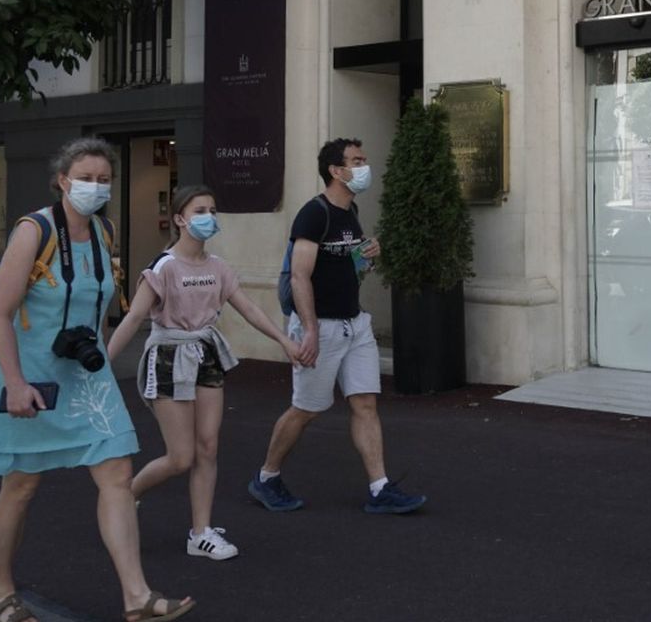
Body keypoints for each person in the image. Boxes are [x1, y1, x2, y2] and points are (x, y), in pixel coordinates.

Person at [0, 138, 194, 622]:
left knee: (115, 474)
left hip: (85, 377)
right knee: (20, 486)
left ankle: (136, 598)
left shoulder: (104, 231)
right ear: (62, 180)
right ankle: (1, 594)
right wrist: (17, 383)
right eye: (85, 177)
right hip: (29, 375)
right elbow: (0, 315)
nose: (96, 186)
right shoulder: (34, 230)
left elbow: (97, 303)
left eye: (104, 178)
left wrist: (101, 358)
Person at [106, 186, 302, 562]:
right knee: (181, 457)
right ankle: (124, 495)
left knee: (208, 447)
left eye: (212, 209)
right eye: (200, 210)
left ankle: (201, 533)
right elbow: (133, 318)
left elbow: (248, 309)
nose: (209, 217)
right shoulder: (162, 268)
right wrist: (103, 364)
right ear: (180, 219)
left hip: (206, 354)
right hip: (167, 357)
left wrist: (284, 341)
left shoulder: (217, 267)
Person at [246, 138, 427, 515]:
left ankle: (380, 488)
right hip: (322, 327)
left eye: (364, 158)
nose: (364, 166)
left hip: (354, 324)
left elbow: (349, 268)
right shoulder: (314, 214)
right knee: (306, 409)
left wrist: (368, 257)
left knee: (364, 403)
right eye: (356, 160)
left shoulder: (351, 211)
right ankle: (266, 477)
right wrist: (309, 330)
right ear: (335, 170)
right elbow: (299, 276)